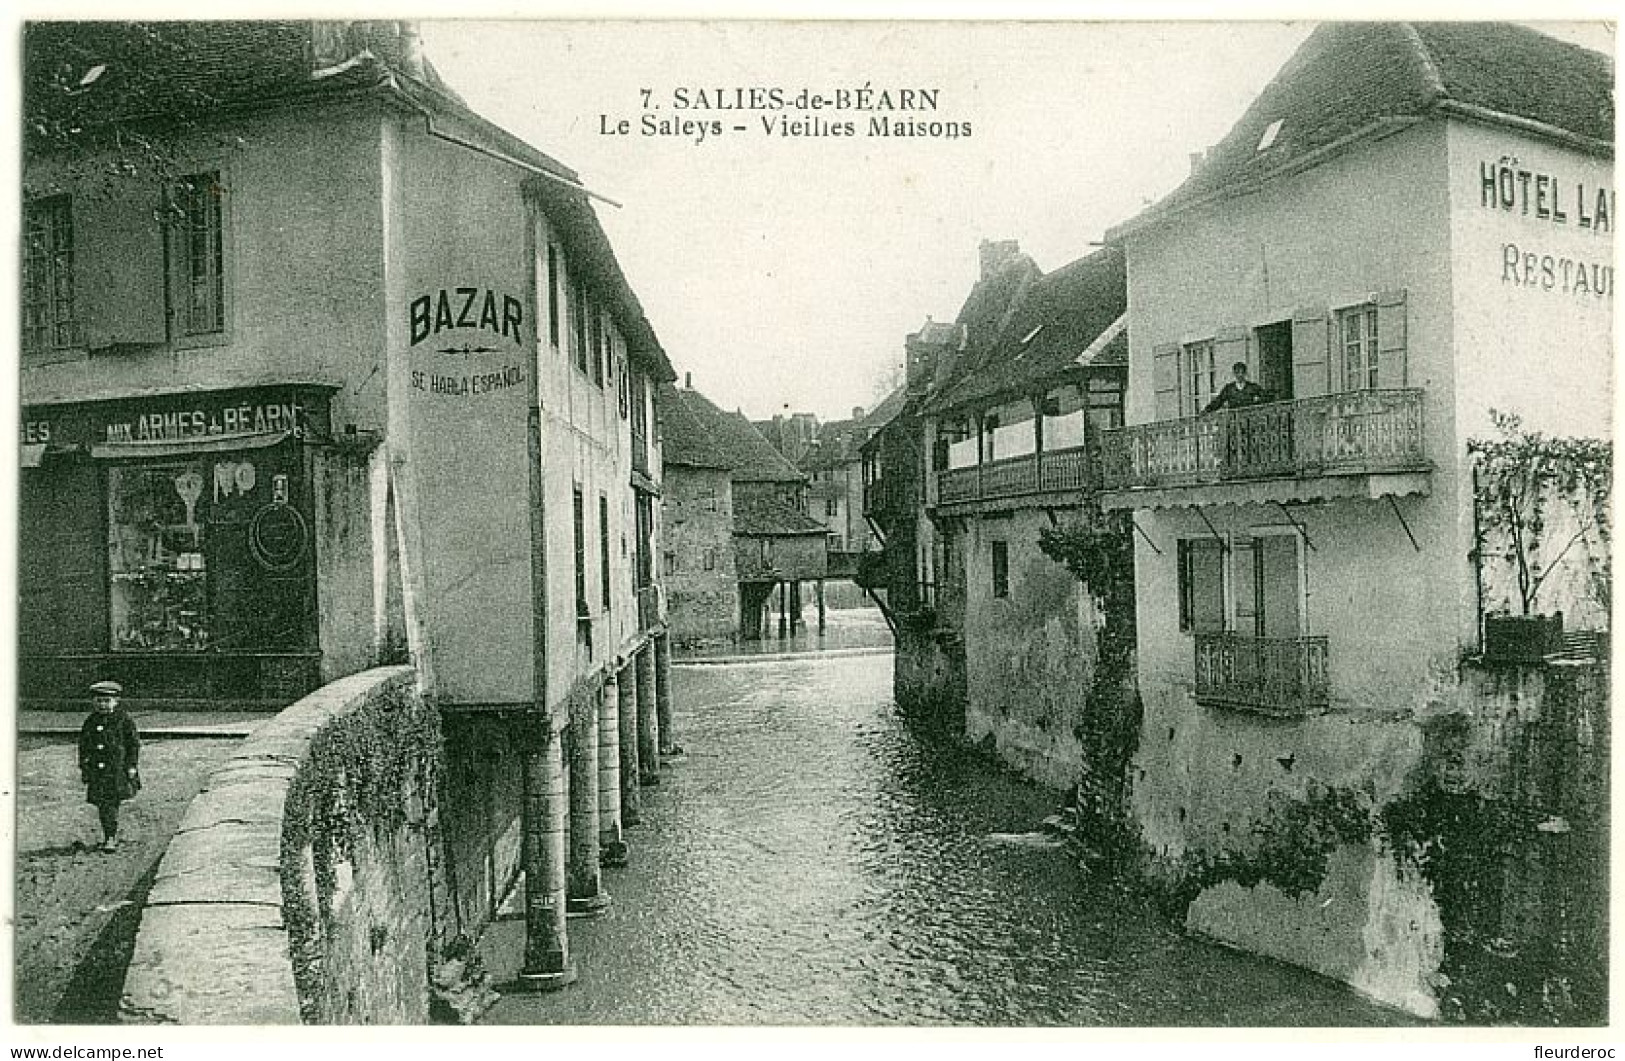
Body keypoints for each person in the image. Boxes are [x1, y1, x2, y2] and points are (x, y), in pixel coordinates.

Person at [79, 680, 141, 852]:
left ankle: (110, 837)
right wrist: (84, 767)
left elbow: (133, 745)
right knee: (103, 804)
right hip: (97, 771)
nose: (103, 705)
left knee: (110, 803)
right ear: (93, 702)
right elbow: (83, 746)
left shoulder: (124, 720)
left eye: (107, 701)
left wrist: (131, 766)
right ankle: (109, 834)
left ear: (116, 701)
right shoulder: (90, 722)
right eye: (99, 701)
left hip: (116, 771)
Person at [1203, 361, 1270, 414]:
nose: (1240, 375)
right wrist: (1207, 410)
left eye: (1242, 372)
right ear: (1234, 374)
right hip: (1234, 420)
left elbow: (1265, 397)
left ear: (1245, 373)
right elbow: (1218, 401)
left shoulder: (1252, 387)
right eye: (1237, 372)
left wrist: (1255, 405)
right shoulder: (1229, 389)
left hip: (1249, 419)